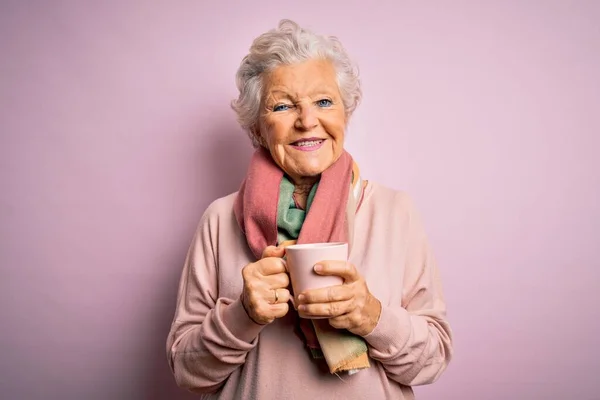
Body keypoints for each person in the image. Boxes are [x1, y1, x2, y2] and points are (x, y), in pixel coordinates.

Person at [166, 19, 453, 399]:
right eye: (283, 106)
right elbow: (187, 370)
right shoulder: (220, 220)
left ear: (344, 114)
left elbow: (433, 359)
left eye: (323, 101)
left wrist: (371, 316)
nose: (307, 121)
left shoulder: (393, 211)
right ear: (257, 128)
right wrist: (243, 315)